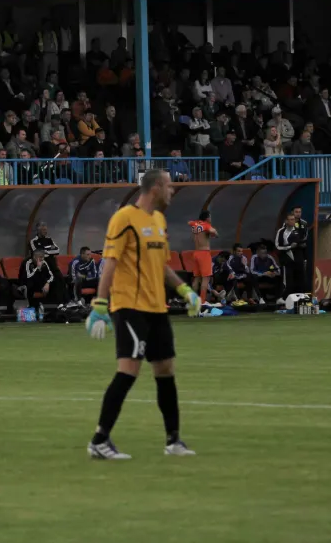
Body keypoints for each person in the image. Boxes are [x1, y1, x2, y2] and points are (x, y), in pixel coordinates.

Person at [85, 169, 200, 460]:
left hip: (156, 307)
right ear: (156, 188)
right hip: (129, 306)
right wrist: (100, 303)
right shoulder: (124, 218)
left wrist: (186, 290)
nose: (173, 191)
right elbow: (110, 261)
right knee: (128, 370)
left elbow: (161, 266)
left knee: (165, 370)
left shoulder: (159, 221)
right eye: (169, 186)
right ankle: (99, 440)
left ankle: (173, 440)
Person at [274, 211, 309, 294]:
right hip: (287, 259)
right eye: (290, 220)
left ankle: (300, 298)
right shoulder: (281, 231)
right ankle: (285, 298)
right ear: (286, 221)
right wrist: (289, 247)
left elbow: (302, 241)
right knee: (288, 281)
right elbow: (277, 246)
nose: (292, 221)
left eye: (293, 219)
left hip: (298, 258)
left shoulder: (298, 230)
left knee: (300, 280)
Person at [187, 210, 216, 302]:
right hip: (204, 253)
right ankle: (202, 301)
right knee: (206, 278)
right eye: (210, 217)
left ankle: (192, 301)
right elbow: (213, 232)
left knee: (196, 278)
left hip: (196, 253)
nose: (211, 219)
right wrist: (214, 233)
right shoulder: (206, 225)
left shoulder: (194, 224)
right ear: (207, 218)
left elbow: (189, 222)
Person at [21, 246, 55, 316]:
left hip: (40, 284)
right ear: (34, 257)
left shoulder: (44, 262)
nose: (42, 259)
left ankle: (60, 305)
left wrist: (47, 283)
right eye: (40, 257)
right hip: (27, 283)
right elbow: (28, 277)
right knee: (30, 283)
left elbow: (51, 275)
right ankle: (32, 306)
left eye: (42, 257)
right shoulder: (27, 263)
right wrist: (37, 268)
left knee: (55, 281)